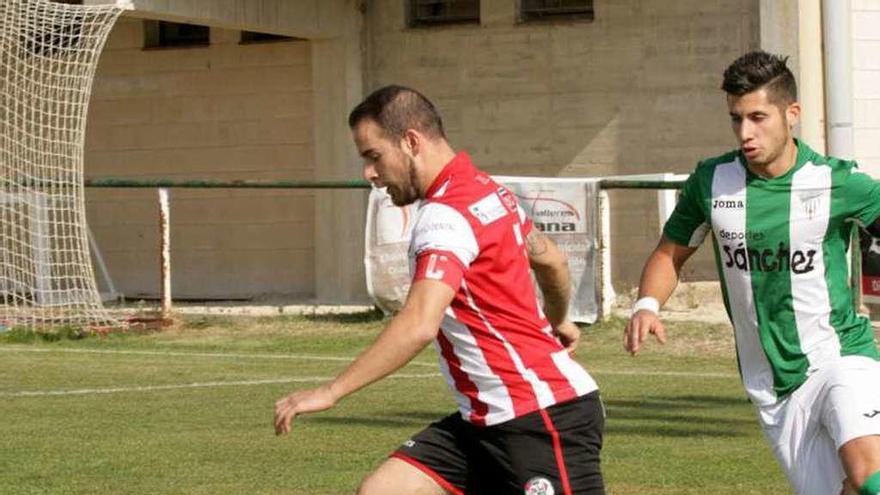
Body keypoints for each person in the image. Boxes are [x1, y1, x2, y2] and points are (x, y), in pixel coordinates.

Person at [275, 85, 605, 495]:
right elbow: (551, 259)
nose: (369, 174)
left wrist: (331, 391)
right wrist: (561, 320)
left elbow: (418, 324)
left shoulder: (444, 217)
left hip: (539, 418)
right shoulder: (487, 190)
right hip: (483, 420)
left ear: (411, 141)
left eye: (373, 157)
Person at [624, 50, 880, 495]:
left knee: (868, 473)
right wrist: (647, 304)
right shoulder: (711, 181)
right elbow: (669, 254)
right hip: (771, 385)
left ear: (791, 113)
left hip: (840, 355)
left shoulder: (839, 181)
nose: (746, 132)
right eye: (736, 119)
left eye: (758, 117)